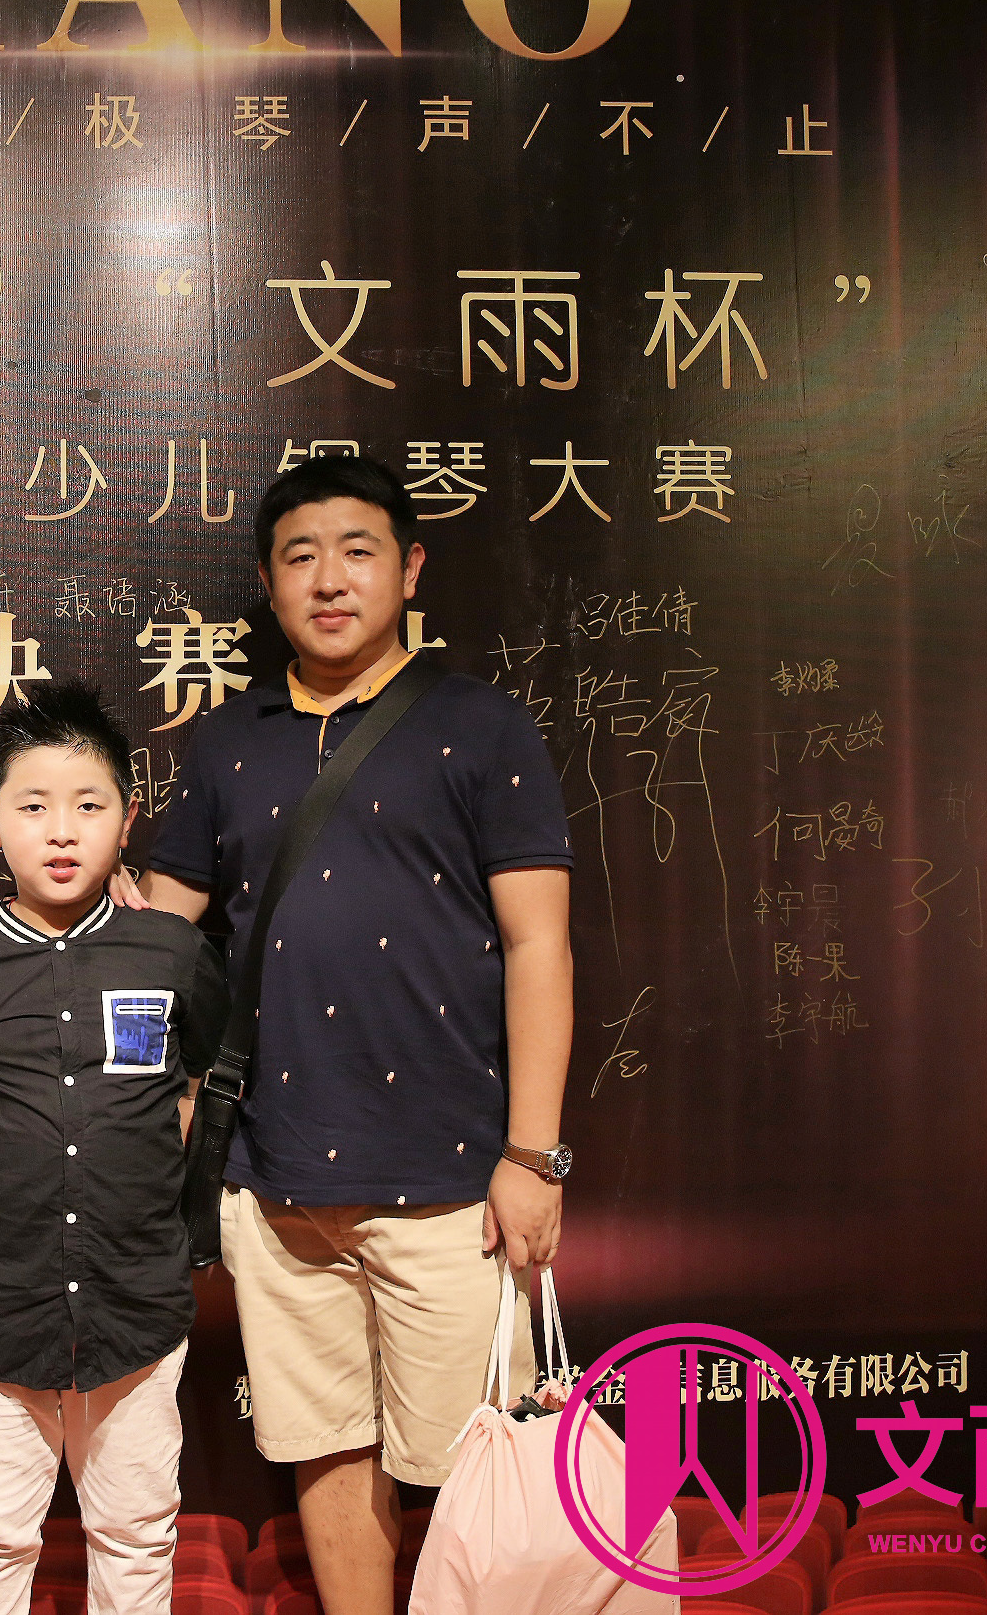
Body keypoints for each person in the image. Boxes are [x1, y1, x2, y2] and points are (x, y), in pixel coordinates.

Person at [135, 455, 574, 1615]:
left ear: (409, 567)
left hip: (451, 1180)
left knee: (481, 1458)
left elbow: (538, 944)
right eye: (300, 556)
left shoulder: (481, 724)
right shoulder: (228, 740)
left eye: (357, 550)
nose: (329, 579)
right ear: (268, 583)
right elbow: (162, 937)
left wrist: (532, 1155)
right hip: (271, 1176)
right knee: (324, 1446)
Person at [0, 681, 229, 1615]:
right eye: (33, 807)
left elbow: (192, 1089)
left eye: (89, 807)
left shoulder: (170, 953)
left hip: (136, 1299)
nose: (62, 832)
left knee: (137, 1535)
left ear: (127, 820)